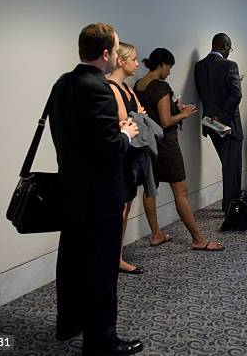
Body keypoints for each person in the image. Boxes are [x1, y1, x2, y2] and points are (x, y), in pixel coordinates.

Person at [49, 23, 143, 355]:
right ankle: (102, 340)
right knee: (102, 269)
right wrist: (127, 133)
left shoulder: (62, 83)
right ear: (105, 54)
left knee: (71, 259)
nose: (117, 56)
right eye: (116, 51)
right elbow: (108, 147)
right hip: (101, 194)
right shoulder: (99, 89)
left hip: (71, 187)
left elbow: (69, 135)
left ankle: (68, 322)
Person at [134, 48, 224, 251]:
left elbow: (152, 115)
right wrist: (183, 114)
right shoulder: (161, 87)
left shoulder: (139, 85)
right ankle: (198, 239)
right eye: (169, 67)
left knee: (150, 189)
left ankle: (156, 233)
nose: (169, 72)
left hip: (148, 145)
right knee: (181, 191)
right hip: (166, 145)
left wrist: (174, 107)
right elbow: (165, 121)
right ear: (162, 65)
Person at [107, 42, 147, 275]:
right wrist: (136, 118)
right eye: (133, 58)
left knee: (126, 207)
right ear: (121, 61)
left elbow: (138, 115)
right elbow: (127, 120)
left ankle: (116, 255)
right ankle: (113, 257)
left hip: (132, 155)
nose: (137, 63)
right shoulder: (112, 87)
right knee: (118, 209)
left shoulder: (128, 88)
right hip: (120, 156)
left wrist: (136, 118)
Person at [195, 33, 243, 213]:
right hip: (227, 124)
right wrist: (222, 117)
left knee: (226, 163)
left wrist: (214, 117)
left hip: (209, 123)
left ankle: (231, 204)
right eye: (229, 48)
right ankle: (231, 207)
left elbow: (208, 92)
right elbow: (236, 94)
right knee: (232, 167)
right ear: (223, 46)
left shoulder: (199, 66)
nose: (229, 52)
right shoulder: (230, 65)